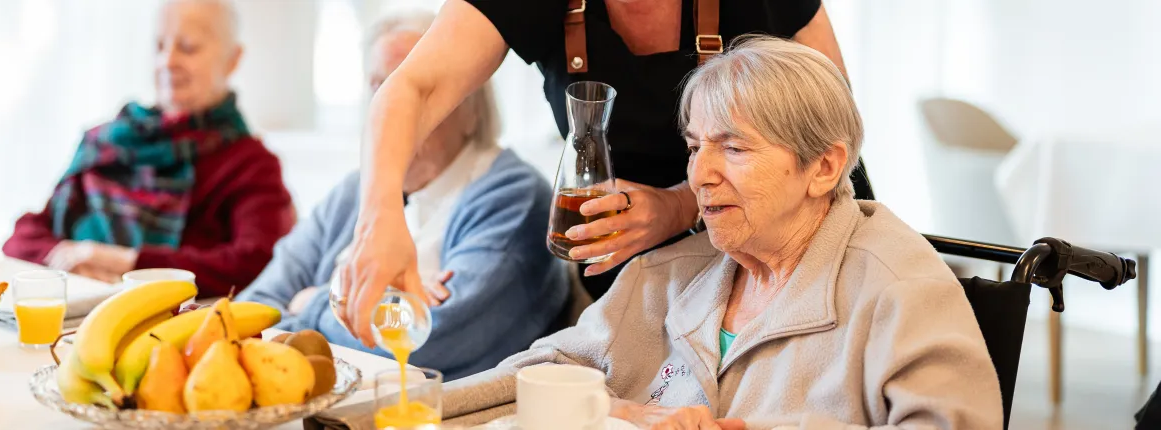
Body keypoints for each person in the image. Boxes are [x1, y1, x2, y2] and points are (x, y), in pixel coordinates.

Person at [441, 37, 1002, 429]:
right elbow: (538, 376)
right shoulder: (667, 271)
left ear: (825, 168)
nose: (699, 176)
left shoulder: (899, 287)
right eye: (694, 147)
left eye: (733, 148)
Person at [335, 0, 877, 346]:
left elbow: (830, 129)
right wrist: (378, 220)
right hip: (639, 276)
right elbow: (412, 88)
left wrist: (678, 204)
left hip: (784, 246)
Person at [236, 10, 569, 381]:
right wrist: (387, 305)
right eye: (380, 89)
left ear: (469, 102)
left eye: (412, 91)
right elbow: (252, 308)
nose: (394, 109)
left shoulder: (514, 196)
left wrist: (309, 302)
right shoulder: (352, 192)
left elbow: (431, 341)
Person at [3, 0, 295, 297]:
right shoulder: (105, 141)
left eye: (188, 46)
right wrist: (70, 258)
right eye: (159, 46)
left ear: (232, 60)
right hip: (71, 312)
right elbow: (24, 236)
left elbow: (256, 263)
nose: (167, 61)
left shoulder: (251, 164)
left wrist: (125, 264)